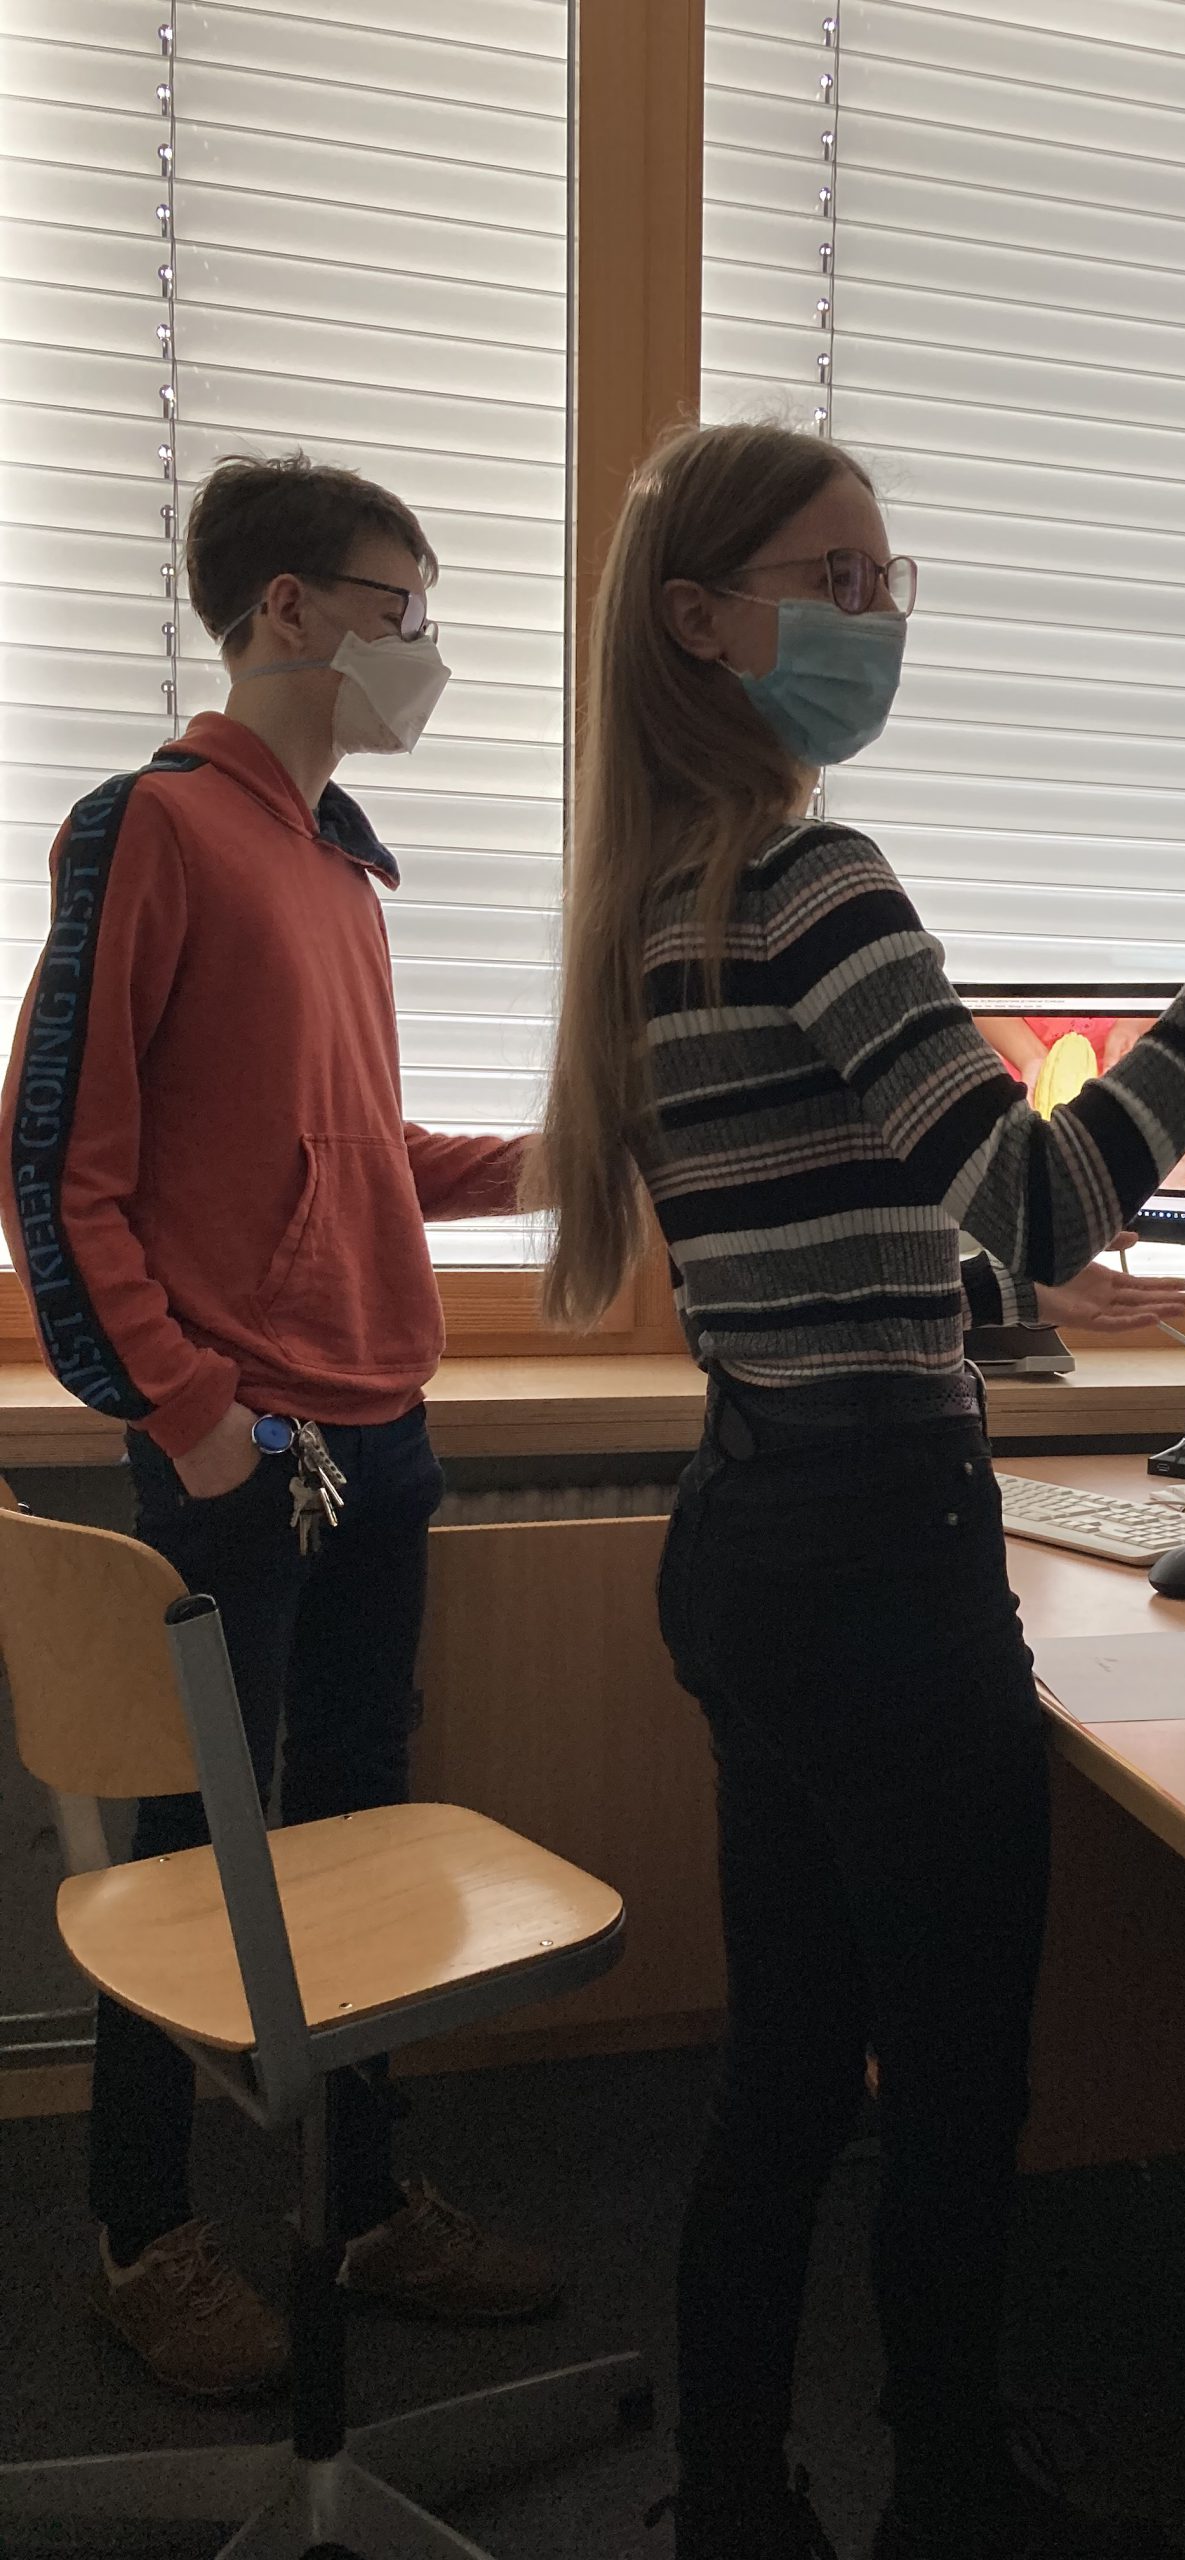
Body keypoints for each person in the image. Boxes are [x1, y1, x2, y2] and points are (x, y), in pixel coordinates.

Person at [537, 419, 1185, 2560]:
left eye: (890, 578)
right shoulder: (811, 876)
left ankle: (739, 2501)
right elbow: (1043, 1195)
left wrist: (981, 1281)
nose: (880, 616)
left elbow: (836, 1211)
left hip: (757, 1532)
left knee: (790, 2071)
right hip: (875, 1563)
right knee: (957, 2081)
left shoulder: (669, 897)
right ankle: (949, 2493)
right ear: (703, 621)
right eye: (835, 578)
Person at [0, 453, 560, 2401]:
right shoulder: (150, 826)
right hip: (244, 1449)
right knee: (193, 1853)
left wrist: (557, 1156)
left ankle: (364, 2198)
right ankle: (140, 2237)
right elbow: (57, 1167)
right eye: (403, 606)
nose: (426, 647)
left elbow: (355, 1151)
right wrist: (193, 1418)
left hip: (383, 1422)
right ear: (288, 610)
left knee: (359, 1830)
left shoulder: (339, 869)